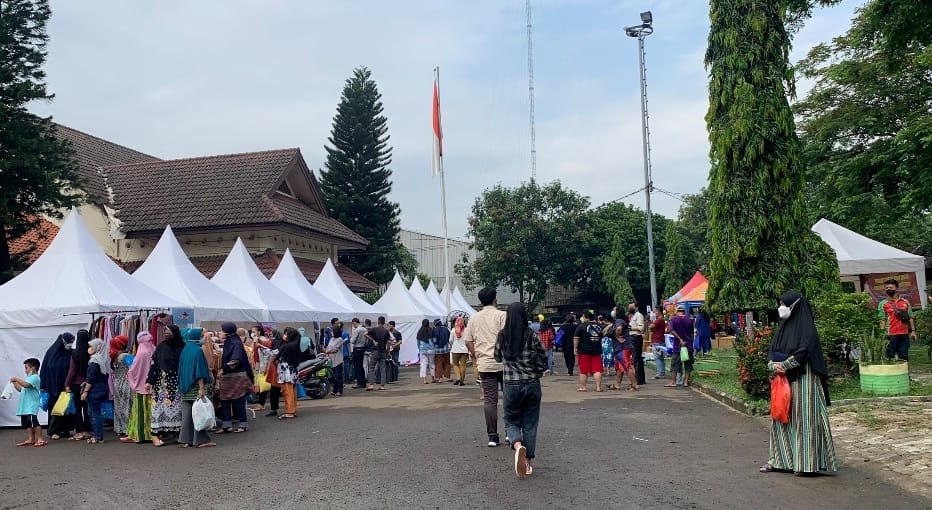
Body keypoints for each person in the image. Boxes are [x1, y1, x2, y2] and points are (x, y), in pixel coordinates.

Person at [760, 290, 838, 475]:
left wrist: (785, 365)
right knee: (781, 418)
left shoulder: (807, 329)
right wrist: (772, 365)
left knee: (805, 420)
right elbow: (773, 349)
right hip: (784, 380)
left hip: (804, 381)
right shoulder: (783, 327)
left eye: (783, 304)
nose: (781, 308)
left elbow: (804, 351)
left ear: (794, 306)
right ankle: (780, 461)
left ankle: (807, 464)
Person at [494, 302, 545, 479]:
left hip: (511, 384)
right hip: (532, 383)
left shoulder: (502, 336)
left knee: (511, 419)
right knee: (530, 423)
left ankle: (517, 446)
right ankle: (528, 463)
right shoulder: (532, 335)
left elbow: (497, 357)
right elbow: (543, 358)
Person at [464, 287, 507, 447]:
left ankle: (493, 436)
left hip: (484, 364)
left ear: (480, 301)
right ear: (495, 299)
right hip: (503, 363)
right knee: (508, 398)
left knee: (490, 400)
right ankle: (510, 432)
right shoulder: (502, 315)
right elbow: (507, 337)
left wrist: (477, 355)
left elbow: (468, 340)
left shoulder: (474, 318)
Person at [147, 325, 185, 446]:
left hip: (177, 384)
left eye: (168, 332)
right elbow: (155, 365)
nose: (166, 334)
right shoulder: (161, 347)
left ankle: (176, 434)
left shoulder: (183, 346)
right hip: (162, 384)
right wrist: (149, 381)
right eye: (165, 332)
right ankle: (155, 436)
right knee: (158, 409)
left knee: (177, 409)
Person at [177, 328, 215, 448]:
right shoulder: (197, 350)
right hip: (195, 386)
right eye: (201, 335)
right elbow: (199, 371)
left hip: (185, 386)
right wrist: (201, 387)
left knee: (187, 415)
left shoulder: (185, 349)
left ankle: (186, 440)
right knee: (199, 414)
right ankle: (201, 440)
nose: (203, 337)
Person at [216, 322, 255, 430]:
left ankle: (243, 424)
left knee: (238, 400)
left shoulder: (235, 343)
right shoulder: (230, 341)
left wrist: (224, 368)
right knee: (225, 400)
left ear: (227, 332)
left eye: (222, 330)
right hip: (228, 376)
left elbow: (236, 360)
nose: (220, 333)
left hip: (236, 376)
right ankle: (226, 424)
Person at [40, 332, 74, 440]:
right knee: (55, 409)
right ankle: (54, 431)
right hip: (53, 387)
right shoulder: (51, 353)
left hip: (66, 386)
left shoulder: (70, 353)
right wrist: (44, 385)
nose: (70, 344)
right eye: (68, 342)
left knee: (66, 408)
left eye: (71, 342)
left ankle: (66, 429)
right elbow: (44, 369)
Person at [126, 332, 155, 443]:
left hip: (141, 386)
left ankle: (140, 434)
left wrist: (130, 374)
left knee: (140, 411)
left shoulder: (141, 352)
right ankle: (153, 434)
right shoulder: (154, 349)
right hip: (152, 386)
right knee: (152, 412)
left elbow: (134, 370)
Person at [64, 329, 92, 441]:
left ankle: (79, 431)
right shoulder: (91, 352)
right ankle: (88, 430)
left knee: (77, 409)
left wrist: (66, 383)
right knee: (87, 408)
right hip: (89, 383)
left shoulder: (75, 353)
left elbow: (72, 371)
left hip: (76, 385)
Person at [878, 278, 916, 361]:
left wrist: (913, 331)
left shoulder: (905, 302)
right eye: (886, 288)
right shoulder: (883, 304)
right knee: (889, 357)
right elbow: (882, 320)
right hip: (890, 335)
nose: (888, 289)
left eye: (890, 288)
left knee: (904, 357)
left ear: (896, 288)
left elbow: (911, 318)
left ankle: (905, 374)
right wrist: (882, 334)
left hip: (904, 334)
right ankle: (891, 374)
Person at [12, 358, 45, 447]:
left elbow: (26, 385)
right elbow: (20, 389)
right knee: (27, 422)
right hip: (25, 405)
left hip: (31, 404)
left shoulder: (35, 378)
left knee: (34, 420)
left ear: (33, 368)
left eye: (26, 368)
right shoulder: (28, 378)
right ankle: (31, 439)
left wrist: (16, 379)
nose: (25, 370)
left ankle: (40, 439)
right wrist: (15, 383)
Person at [83, 338, 110, 444]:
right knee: (94, 413)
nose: (89, 348)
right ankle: (97, 435)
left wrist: (85, 391)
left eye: (91, 346)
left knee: (94, 414)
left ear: (97, 348)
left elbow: (91, 378)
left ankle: (98, 437)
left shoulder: (95, 360)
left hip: (95, 390)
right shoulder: (104, 359)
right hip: (103, 388)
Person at [109, 334, 132, 442]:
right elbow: (134, 366)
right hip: (126, 383)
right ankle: (128, 428)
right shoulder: (125, 356)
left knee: (119, 406)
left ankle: (120, 428)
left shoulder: (114, 356)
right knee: (128, 406)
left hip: (117, 383)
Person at [573, 311, 604, 392]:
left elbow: (576, 338)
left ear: (585, 317)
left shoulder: (581, 326)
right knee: (597, 369)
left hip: (584, 350)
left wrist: (575, 348)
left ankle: (583, 387)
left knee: (584, 370)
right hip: (596, 349)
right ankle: (598, 387)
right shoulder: (598, 326)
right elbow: (602, 334)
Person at [256, 329, 283, 416]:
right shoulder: (281, 342)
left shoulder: (275, 343)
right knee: (285, 390)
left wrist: (260, 344)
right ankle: (289, 409)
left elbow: (271, 351)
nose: (270, 335)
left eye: (271, 334)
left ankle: (275, 409)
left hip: (276, 369)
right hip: (280, 369)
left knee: (275, 390)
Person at [666, 305, 694, 387]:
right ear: (684, 311)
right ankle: (685, 382)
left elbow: (671, 331)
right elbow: (692, 333)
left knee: (675, 364)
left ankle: (673, 381)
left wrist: (680, 339)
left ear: (677, 311)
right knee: (688, 364)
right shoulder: (689, 320)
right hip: (688, 345)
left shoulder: (674, 319)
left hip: (678, 345)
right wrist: (689, 342)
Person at [608, 316, 638, 391]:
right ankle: (617, 384)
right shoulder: (621, 321)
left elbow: (619, 328)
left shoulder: (619, 320)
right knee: (619, 367)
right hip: (621, 348)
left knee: (626, 365)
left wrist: (616, 336)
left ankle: (634, 384)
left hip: (623, 347)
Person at [367, 317, 392, 391]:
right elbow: (388, 343)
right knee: (383, 369)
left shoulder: (374, 329)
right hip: (383, 351)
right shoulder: (386, 331)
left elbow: (365, 334)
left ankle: (371, 385)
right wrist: (388, 352)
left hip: (375, 351)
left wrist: (373, 340)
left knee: (371, 368)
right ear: (384, 322)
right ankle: (382, 386)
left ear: (378, 322)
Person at [627, 301, 647, 385]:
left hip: (636, 337)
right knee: (636, 358)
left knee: (636, 358)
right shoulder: (632, 316)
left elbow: (641, 328)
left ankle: (638, 379)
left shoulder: (639, 316)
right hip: (632, 337)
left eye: (632, 307)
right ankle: (640, 378)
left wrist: (630, 328)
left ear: (636, 307)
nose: (630, 308)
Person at [324, 324, 345, 396]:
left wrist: (328, 351)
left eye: (333, 331)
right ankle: (334, 390)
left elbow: (335, 349)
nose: (331, 332)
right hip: (331, 359)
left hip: (337, 360)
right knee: (333, 376)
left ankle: (339, 390)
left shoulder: (340, 339)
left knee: (338, 375)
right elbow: (328, 347)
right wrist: (327, 352)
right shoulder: (331, 339)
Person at [451, 317, 470, 385]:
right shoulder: (466, 330)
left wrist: (452, 344)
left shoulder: (453, 330)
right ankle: (462, 380)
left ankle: (458, 378)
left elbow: (450, 340)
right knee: (463, 365)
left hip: (455, 349)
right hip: (464, 350)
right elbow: (468, 340)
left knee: (455, 364)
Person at [350, 318, 369, 389]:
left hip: (357, 348)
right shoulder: (364, 329)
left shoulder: (356, 330)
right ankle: (363, 382)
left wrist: (350, 338)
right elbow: (367, 340)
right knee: (361, 366)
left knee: (357, 366)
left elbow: (353, 341)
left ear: (354, 322)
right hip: (363, 348)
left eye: (353, 324)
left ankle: (359, 382)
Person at [433, 319, 452, 383]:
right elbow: (449, 339)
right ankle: (448, 377)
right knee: (447, 363)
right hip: (446, 349)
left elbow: (434, 341)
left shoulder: (434, 331)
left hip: (437, 350)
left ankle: (439, 378)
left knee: (438, 364)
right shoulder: (446, 329)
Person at [649, 311, 667, 379]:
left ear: (658, 311)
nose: (654, 313)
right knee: (661, 358)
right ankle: (662, 372)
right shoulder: (662, 320)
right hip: (660, 340)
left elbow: (651, 326)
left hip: (657, 341)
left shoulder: (658, 320)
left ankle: (660, 373)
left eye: (655, 311)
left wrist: (651, 324)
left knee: (658, 358)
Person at [417, 319, 436, 384]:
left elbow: (418, 342)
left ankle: (425, 379)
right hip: (431, 349)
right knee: (432, 364)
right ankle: (433, 378)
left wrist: (419, 349)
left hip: (422, 350)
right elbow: (434, 340)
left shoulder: (419, 331)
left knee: (423, 364)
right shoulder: (431, 330)